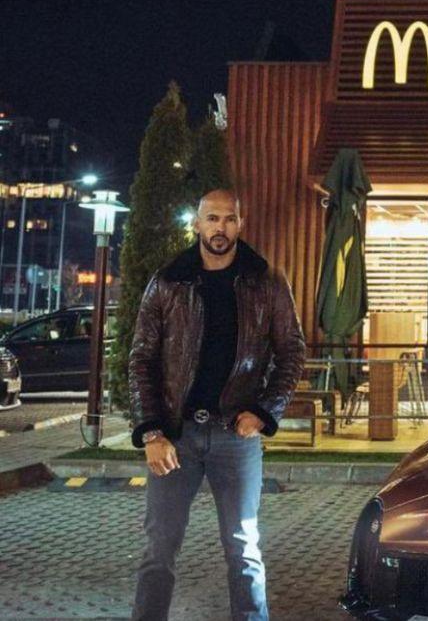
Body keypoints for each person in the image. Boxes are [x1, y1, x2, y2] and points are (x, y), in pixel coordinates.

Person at [128, 189, 306, 621]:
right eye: (212, 218)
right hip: (175, 436)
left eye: (228, 219)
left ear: (240, 224)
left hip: (235, 436)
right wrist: (151, 431)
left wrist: (264, 412)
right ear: (198, 224)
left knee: (243, 547)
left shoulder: (266, 281)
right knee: (159, 548)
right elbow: (140, 359)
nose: (220, 227)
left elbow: (292, 351)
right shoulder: (169, 280)